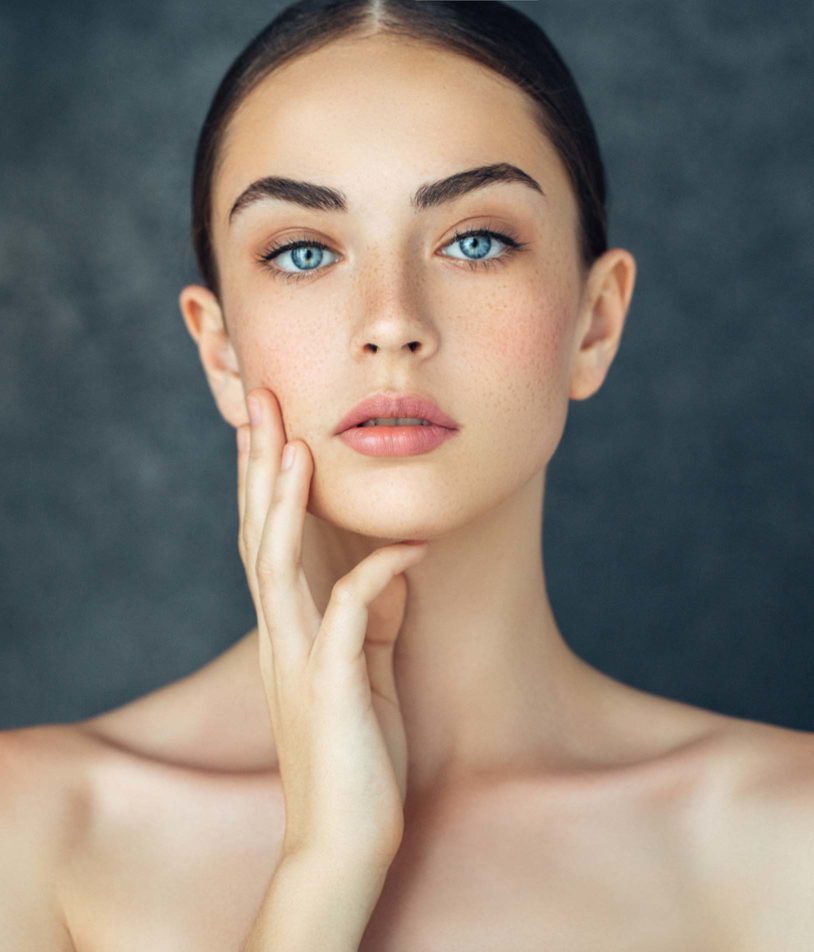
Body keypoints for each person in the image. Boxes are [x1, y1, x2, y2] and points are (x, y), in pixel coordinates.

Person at [2, 1, 812, 949]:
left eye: (475, 241)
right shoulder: (35, 829)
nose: (390, 321)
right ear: (220, 350)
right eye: (303, 251)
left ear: (594, 324)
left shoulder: (784, 839)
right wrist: (323, 869)